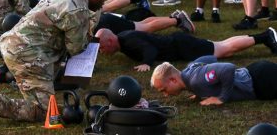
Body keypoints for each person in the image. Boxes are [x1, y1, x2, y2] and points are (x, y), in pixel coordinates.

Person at [0, 0, 115, 122]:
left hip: (18, 46)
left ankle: (48, 101)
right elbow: (75, 47)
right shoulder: (79, 9)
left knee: (43, 101)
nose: (102, 4)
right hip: (28, 53)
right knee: (46, 112)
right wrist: (88, 39)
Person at [96, 27, 277, 72]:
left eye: (103, 47)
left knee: (225, 50)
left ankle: (265, 36)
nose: (102, 51)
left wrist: (146, 63)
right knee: (222, 45)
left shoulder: (128, 40)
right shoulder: (124, 39)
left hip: (182, 45)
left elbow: (149, 50)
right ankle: (264, 37)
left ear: (111, 40)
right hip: (180, 43)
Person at [151, 55, 277, 105]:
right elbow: (210, 59)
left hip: (262, 82)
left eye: (164, 90)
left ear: (173, 80)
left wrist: (221, 98)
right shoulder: (189, 73)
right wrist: (200, 91)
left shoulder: (196, 80)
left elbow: (228, 68)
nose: (165, 94)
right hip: (256, 72)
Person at [95, 9, 195, 35]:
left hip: (103, 22)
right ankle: (172, 18)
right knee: (141, 24)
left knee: (143, 29)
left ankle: (178, 20)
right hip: (103, 19)